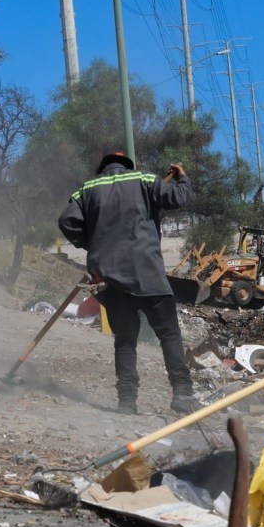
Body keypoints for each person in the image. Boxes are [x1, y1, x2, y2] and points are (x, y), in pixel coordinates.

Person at [58, 151, 199, 416]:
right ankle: (182, 393)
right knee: (168, 335)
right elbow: (179, 198)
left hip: (109, 279)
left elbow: (67, 222)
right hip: (148, 274)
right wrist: (182, 178)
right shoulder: (146, 179)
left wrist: (93, 243)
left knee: (125, 340)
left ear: (104, 168)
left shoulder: (88, 189)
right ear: (128, 166)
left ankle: (126, 401)